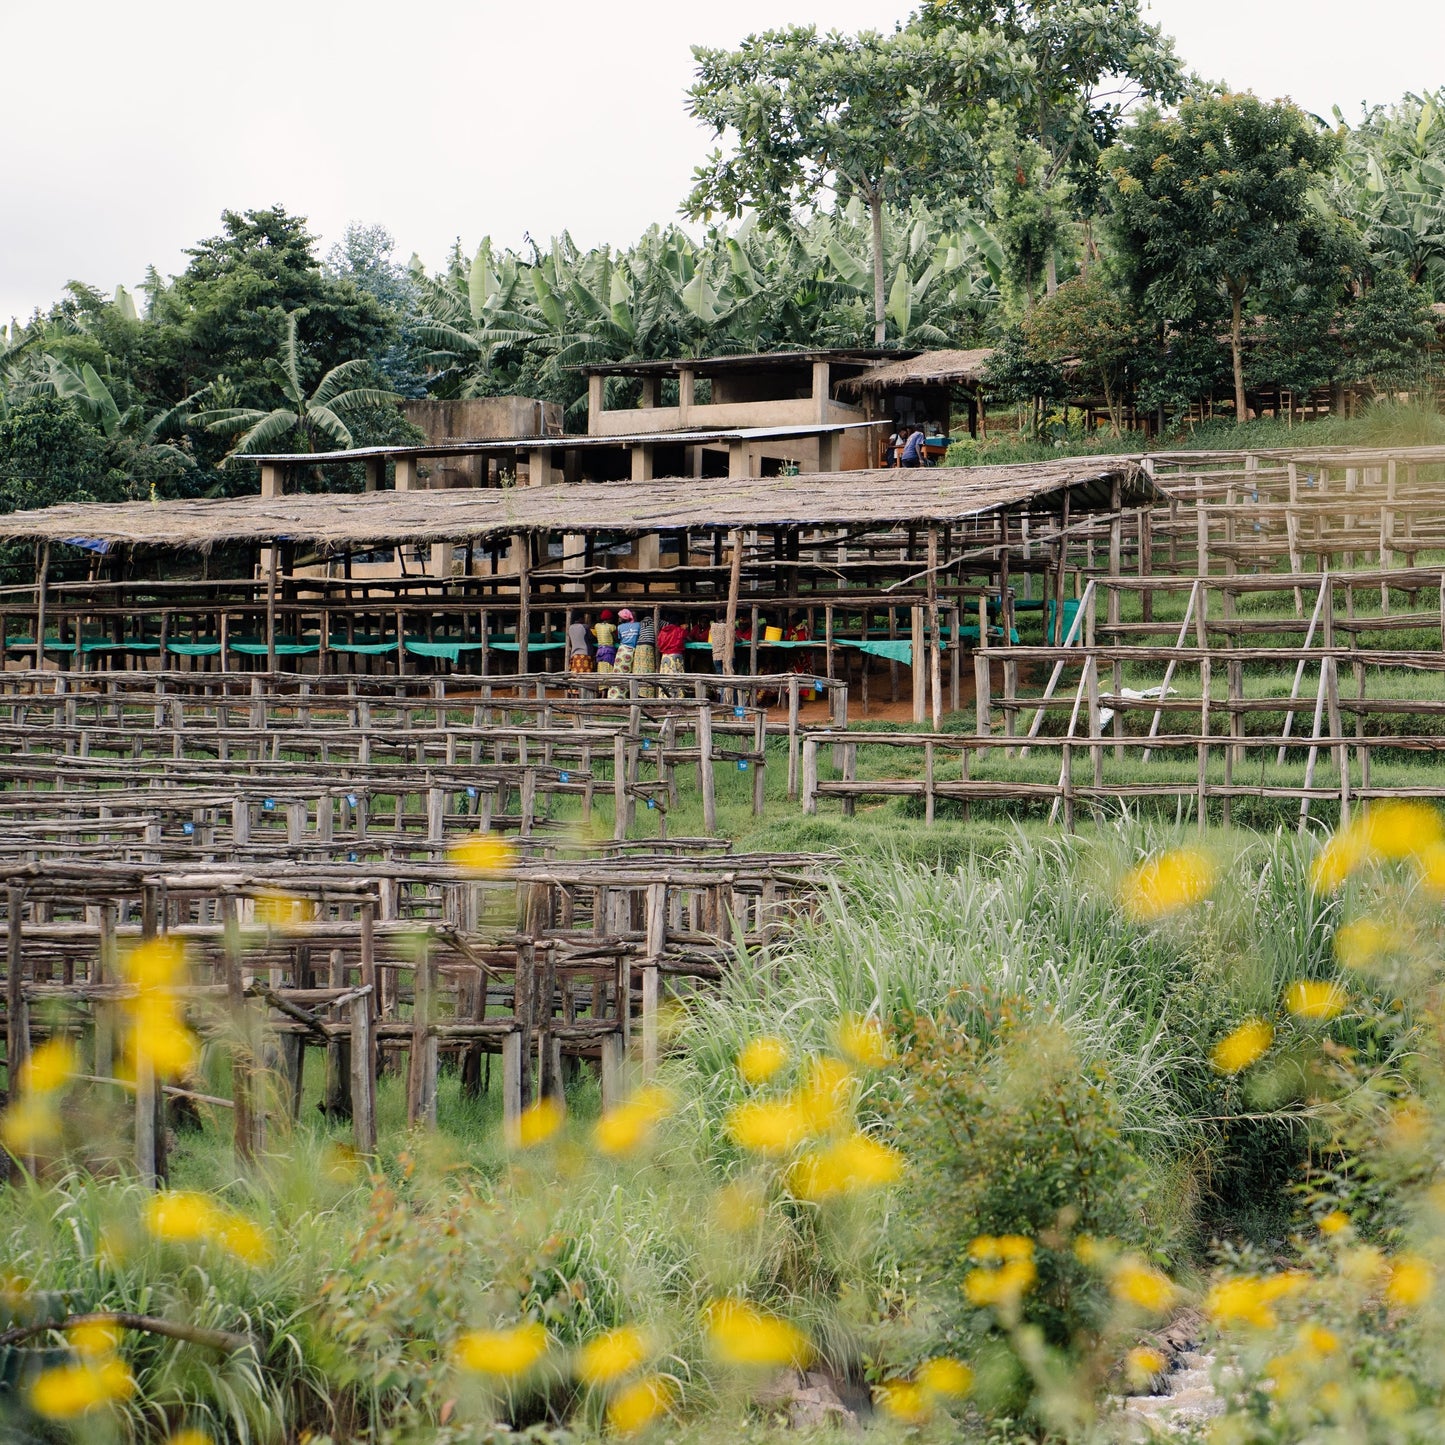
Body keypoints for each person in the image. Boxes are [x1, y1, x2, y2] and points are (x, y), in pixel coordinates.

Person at [609, 608, 640, 697]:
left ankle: (616, 696)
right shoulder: (638, 625)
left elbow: (619, 639)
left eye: (620, 617)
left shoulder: (620, 627)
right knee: (631, 676)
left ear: (624, 618)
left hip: (622, 651)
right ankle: (629, 696)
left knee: (619, 674)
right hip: (633, 651)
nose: (619, 619)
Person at [658, 613, 687, 696]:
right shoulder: (679, 630)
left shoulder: (662, 631)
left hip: (665, 657)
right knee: (677, 678)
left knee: (665, 678)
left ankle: (665, 698)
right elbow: (687, 637)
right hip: (676, 656)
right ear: (677, 623)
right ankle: (677, 698)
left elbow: (659, 643)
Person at [633, 612, 658, 698]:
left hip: (639, 647)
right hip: (647, 647)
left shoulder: (640, 623)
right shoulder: (656, 621)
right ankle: (647, 697)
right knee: (649, 672)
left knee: (639, 671)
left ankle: (638, 694)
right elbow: (669, 624)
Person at [593, 608, 618, 674]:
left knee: (601, 669)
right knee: (609, 669)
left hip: (600, 651)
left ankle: (602, 684)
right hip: (609, 651)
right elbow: (616, 639)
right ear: (609, 618)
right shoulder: (612, 626)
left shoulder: (597, 626)